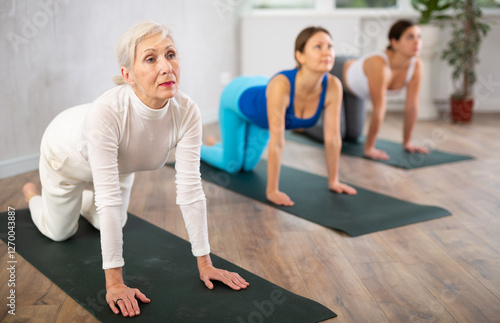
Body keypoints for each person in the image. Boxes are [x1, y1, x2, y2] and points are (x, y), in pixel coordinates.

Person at [22, 21, 248, 318]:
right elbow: (109, 198)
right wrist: (115, 283)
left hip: (116, 161)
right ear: (127, 75)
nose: (167, 67)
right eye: (151, 58)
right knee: (60, 232)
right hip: (66, 156)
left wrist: (205, 263)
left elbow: (191, 189)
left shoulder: (187, 111)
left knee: (111, 222)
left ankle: (81, 203)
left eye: (171, 54)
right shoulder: (107, 113)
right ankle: (31, 195)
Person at [201, 26, 357, 207]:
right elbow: (277, 142)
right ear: (300, 56)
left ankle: (220, 144)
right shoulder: (282, 86)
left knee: (248, 166)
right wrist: (272, 190)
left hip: (263, 111)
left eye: (330, 46)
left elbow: (333, 138)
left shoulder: (333, 86)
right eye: (318, 46)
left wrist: (334, 181)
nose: (327, 52)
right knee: (233, 165)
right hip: (237, 99)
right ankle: (199, 148)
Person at [301, 19, 430, 160]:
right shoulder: (380, 65)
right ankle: (302, 125)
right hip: (339, 71)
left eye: (419, 36)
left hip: (356, 88)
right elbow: (379, 108)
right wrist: (369, 148)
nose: (417, 42)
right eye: (410, 37)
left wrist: (407, 143)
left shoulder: (416, 65)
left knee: (354, 135)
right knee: (338, 133)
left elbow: (411, 106)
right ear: (395, 43)